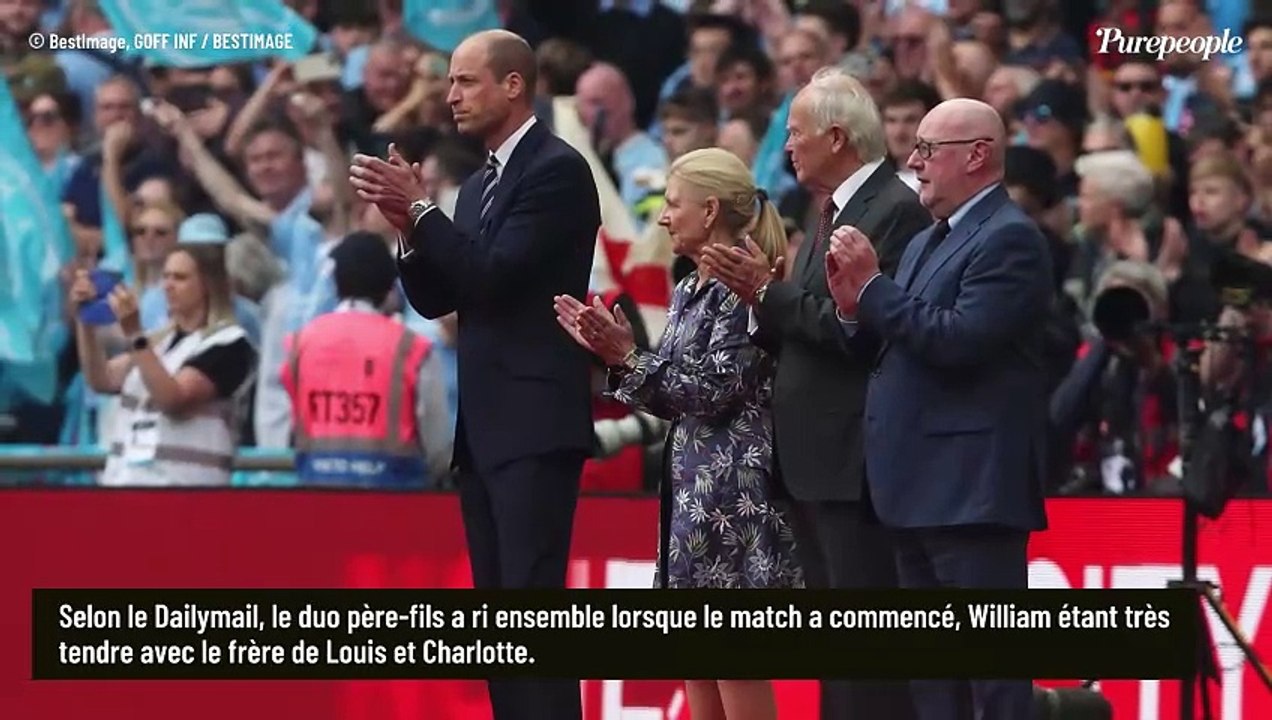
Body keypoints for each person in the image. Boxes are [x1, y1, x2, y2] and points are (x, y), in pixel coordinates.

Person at [348, 29, 600, 720]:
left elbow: (489, 277)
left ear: (513, 84)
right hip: (485, 428)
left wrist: (424, 210)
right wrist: (407, 223)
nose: (449, 95)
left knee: (531, 609)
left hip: (535, 422)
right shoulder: (478, 187)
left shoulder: (556, 170)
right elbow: (440, 296)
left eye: (464, 81)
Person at [700, 66, 927, 720]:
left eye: (796, 133)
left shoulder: (891, 210)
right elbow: (807, 321)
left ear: (836, 136)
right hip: (812, 459)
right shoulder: (829, 209)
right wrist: (761, 304)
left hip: (852, 457)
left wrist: (766, 293)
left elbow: (857, 328)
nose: (788, 145)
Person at [554, 147, 801, 720]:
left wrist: (630, 356)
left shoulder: (747, 285)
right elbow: (674, 396)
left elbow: (716, 390)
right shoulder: (691, 288)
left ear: (710, 210)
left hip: (734, 500)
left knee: (734, 665)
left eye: (672, 203)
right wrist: (616, 357)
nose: (664, 217)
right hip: (691, 498)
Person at [825, 97, 1051, 720]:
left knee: (991, 675)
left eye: (929, 150)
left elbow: (957, 341)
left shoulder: (1011, 239)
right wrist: (853, 307)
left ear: (978, 155)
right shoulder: (929, 240)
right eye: (916, 149)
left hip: (971, 489)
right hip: (914, 485)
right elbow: (894, 338)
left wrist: (874, 289)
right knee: (932, 676)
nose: (915, 162)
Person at [70, 237, 256, 487]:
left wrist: (135, 333)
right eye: (165, 276)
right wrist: (86, 319)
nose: (168, 285)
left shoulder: (230, 344)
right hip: (127, 481)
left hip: (185, 490)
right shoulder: (158, 343)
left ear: (208, 284)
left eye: (179, 277)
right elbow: (101, 379)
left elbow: (173, 398)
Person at [280, 231, 453, 488]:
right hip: (397, 502)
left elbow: (294, 426)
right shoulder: (411, 348)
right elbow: (438, 445)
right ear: (389, 285)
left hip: (316, 495)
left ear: (336, 282)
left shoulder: (301, 342)